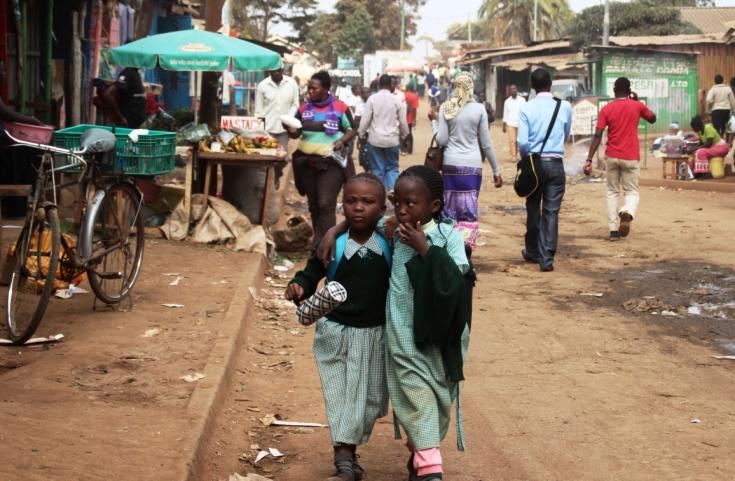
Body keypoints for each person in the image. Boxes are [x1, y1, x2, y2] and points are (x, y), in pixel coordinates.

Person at [318, 165, 470, 481]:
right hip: (403, 337)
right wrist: (334, 230)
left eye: (410, 203)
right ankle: (430, 469)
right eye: (397, 202)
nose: (401, 210)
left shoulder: (449, 237)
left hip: (439, 338)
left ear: (435, 206)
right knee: (415, 394)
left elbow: (457, 281)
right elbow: (364, 220)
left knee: (437, 397)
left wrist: (425, 249)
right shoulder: (391, 230)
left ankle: (419, 455)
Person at [285, 173, 391, 481]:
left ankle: (350, 451)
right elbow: (311, 272)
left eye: (368, 202)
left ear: (382, 209)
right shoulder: (332, 244)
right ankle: (344, 459)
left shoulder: (389, 242)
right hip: (336, 332)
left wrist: (336, 226)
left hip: (376, 335)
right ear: (342, 204)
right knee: (340, 396)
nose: (358, 208)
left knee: (369, 402)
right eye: (351, 201)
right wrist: (298, 287)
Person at [429, 72, 502, 326]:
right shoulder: (479, 109)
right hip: (472, 166)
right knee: (468, 210)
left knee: (449, 208)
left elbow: (442, 140)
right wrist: (496, 169)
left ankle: (450, 250)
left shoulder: (446, 108)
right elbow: (486, 143)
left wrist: (437, 127)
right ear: (471, 87)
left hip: (450, 164)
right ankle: (466, 252)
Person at [584, 77, 656, 240]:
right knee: (631, 192)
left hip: (612, 156)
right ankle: (627, 212)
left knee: (612, 192)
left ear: (615, 91)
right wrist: (637, 102)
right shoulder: (637, 106)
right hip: (631, 157)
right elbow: (653, 118)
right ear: (629, 91)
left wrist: (589, 159)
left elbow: (597, 135)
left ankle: (613, 230)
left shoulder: (607, 109)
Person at [289, 71, 355, 242]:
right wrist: (291, 129)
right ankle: (319, 242)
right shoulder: (303, 108)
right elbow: (296, 133)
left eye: (314, 88)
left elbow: (352, 129)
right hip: (307, 163)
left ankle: (326, 243)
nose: (310, 91)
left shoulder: (340, 107)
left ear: (326, 89)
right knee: (314, 205)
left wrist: (341, 141)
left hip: (331, 163)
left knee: (326, 203)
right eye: (309, 88)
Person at [517, 68, 572, 272]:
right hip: (556, 163)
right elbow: (566, 135)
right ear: (550, 83)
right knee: (551, 212)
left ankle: (532, 250)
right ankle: (546, 257)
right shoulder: (564, 106)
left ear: (532, 86)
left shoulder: (526, 108)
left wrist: (526, 160)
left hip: (534, 163)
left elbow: (522, 142)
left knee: (533, 208)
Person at [358, 74, 409, 190]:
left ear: (379, 85)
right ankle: (391, 192)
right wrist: (405, 136)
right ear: (391, 85)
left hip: (375, 140)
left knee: (377, 169)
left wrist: (361, 135)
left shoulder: (372, 99)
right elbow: (403, 122)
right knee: (392, 168)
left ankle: (378, 195)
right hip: (392, 141)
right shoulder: (397, 100)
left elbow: (365, 120)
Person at [255, 67, 300, 152]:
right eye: (274, 70)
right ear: (269, 70)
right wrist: (259, 130)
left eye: (279, 70)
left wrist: (288, 119)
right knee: (265, 157)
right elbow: (258, 111)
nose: (277, 73)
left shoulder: (292, 83)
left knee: (282, 158)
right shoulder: (262, 85)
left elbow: (295, 104)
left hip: (283, 131)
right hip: (266, 130)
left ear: (282, 69)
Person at [502, 84, 525, 161]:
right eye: (511, 89)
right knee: (512, 141)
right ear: (510, 91)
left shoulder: (522, 100)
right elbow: (505, 113)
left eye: (514, 89)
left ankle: (522, 155)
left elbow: (525, 112)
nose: (513, 90)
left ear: (517, 89)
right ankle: (514, 156)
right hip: (510, 123)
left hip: (520, 123)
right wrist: (504, 125)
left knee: (520, 141)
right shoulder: (507, 101)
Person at [402, 84, 420, 155]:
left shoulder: (402, 95)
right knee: (409, 134)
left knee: (402, 134)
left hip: (402, 117)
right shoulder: (414, 96)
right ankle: (410, 150)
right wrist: (414, 119)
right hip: (410, 118)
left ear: (406, 88)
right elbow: (414, 109)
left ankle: (403, 149)